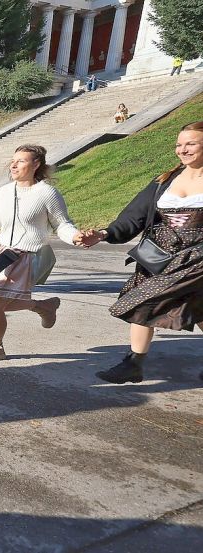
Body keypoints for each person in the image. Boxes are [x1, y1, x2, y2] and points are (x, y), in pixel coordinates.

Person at [77, 121, 203, 383]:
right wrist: (103, 233)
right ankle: (134, 364)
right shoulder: (164, 181)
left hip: (197, 257)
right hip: (160, 256)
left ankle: (134, 363)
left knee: (143, 300)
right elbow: (132, 218)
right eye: (179, 144)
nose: (182, 149)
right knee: (198, 308)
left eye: (191, 143)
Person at [0, 145, 82, 362]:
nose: (13, 164)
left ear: (36, 165)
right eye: (13, 160)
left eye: (21, 161)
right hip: (0, 253)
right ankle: (43, 306)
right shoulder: (5, 191)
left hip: (29, 255)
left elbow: (62, 224)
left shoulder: (47, 193)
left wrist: (75, 237)